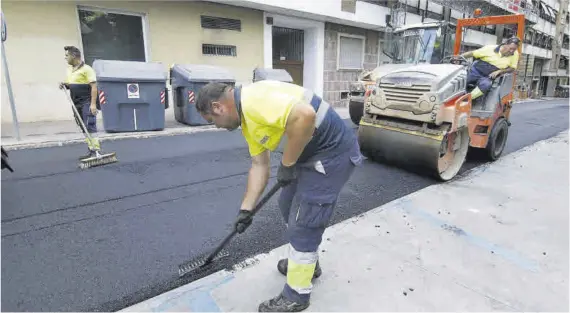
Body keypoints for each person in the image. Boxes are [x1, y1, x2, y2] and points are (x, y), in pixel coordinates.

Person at [195, 80, 362, 312]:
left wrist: (287, 164)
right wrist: (246, 209)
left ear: (218, 107)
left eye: (212, 121)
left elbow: (305, 115)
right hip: (307, 156)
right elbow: (259, 166)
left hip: (332, 154)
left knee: (305, 221)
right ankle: (307, 264)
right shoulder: (247, 120)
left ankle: (297, 295)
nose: (216, 126)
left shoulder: (254, 101)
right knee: (287, 205)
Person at [59, 45, 101, 160]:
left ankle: (96, 150)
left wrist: (93, 104)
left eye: (67, 55)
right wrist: (64, 85)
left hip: (87, 101)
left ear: (74, 56)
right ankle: (90, 149)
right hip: (76, 102)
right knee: (83, 126)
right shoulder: (69, 70)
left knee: (90, 125)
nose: (65, 58)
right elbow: (71, 84)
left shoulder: (87, 69)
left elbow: (94, 87)